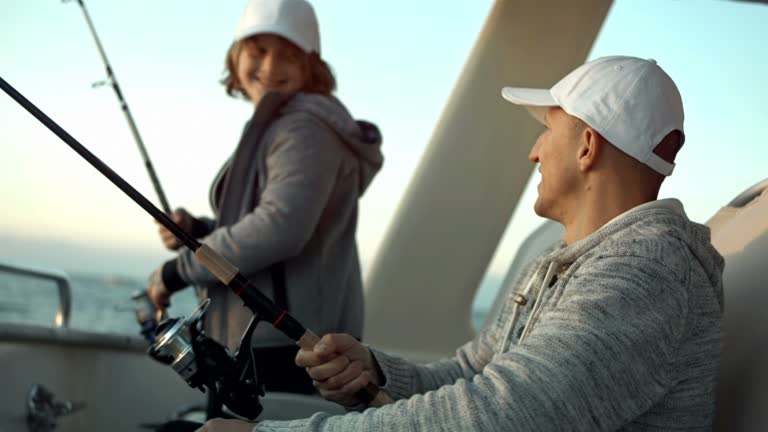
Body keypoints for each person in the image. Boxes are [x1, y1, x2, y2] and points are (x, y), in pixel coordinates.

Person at [196, 55, 725, 431]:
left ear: (587, 146)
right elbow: (475, 373)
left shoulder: (649, 272)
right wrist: (377, 372)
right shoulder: (561, 260)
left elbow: (509, 415)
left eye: (547, 129)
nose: (534, 152)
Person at [145, 0, 383, 395]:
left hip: (287, 350)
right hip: (259, 345)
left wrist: (176, 271)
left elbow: (279, 228)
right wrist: (199, 230)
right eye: (258, 51)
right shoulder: (278, 125)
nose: (270, 67)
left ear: (311, 65)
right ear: (236, 55)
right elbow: (269, 219)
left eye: (288, 55)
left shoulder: (304, 128)